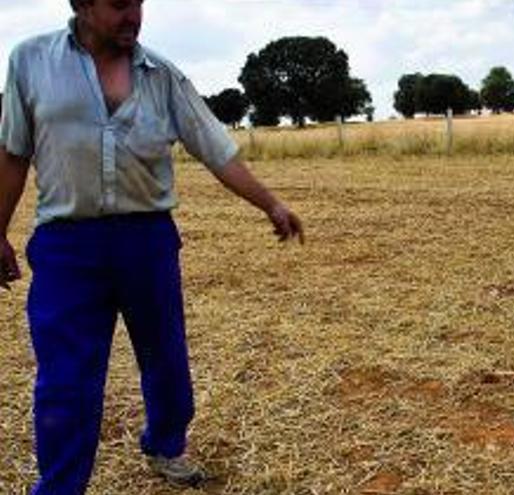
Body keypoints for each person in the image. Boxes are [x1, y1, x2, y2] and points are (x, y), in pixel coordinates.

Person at [0, 0, 305, 492]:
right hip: (67, 245)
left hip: (147, 240)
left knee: (165, 355)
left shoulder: (161, 74)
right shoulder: (29, 61)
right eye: (119, 3)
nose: (133, 14)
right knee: (65, 378)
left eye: (139, 2)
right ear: (80, 4)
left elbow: (215, 148)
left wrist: (270, 204)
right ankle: (60, 485)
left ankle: (166, 443)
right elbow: (13, 151)